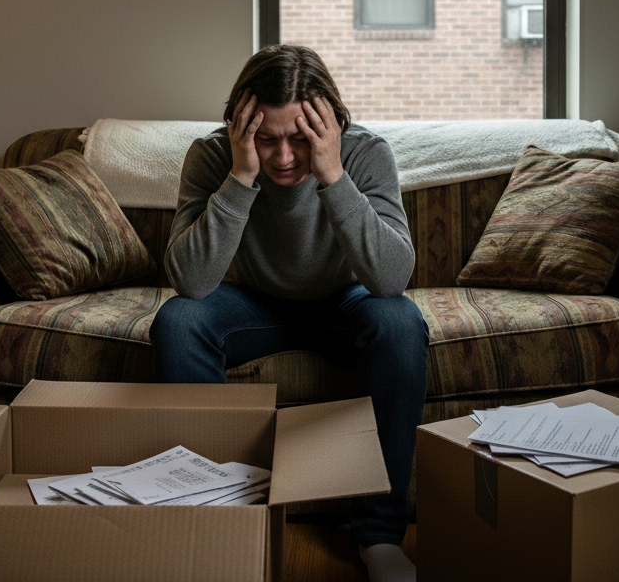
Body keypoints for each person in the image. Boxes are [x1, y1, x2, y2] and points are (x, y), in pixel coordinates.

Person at [151, 44, 428, 582]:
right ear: (239, 127)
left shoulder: (366, 154)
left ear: (331, 125)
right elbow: (191, 281)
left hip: (345, 300)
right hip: (250, 304)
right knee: (177, 322)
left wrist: (333, 175)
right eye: (266, 138)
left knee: (400, 321)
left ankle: (379, 538)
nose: (282, 157)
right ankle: (220, 521)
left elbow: (392, 279)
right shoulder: (212, 157)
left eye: (300, 139)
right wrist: (240, 176)